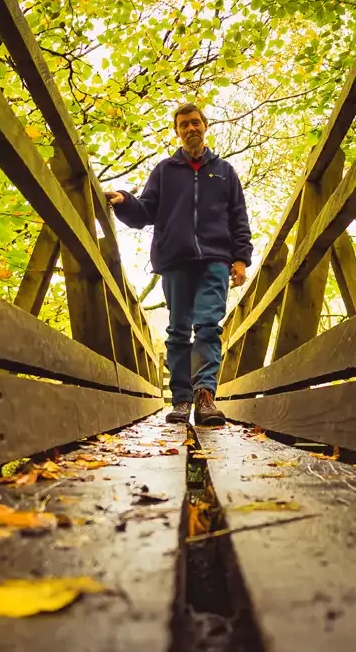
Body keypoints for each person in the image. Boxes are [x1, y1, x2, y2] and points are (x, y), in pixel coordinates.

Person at [108, 103, 253, 426]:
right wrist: (124, 201)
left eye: (195, 122)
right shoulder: (165, 170)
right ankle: (181, 400)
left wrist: (241, 258)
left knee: (208, 326)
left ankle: (205, 397)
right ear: (177, 131)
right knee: (177, 331)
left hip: (215, 261)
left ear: (205, 126)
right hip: (175, 260)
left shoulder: (225, 172)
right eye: (184, 124)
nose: (191, 128)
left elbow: (238, 217)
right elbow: (146, 211)